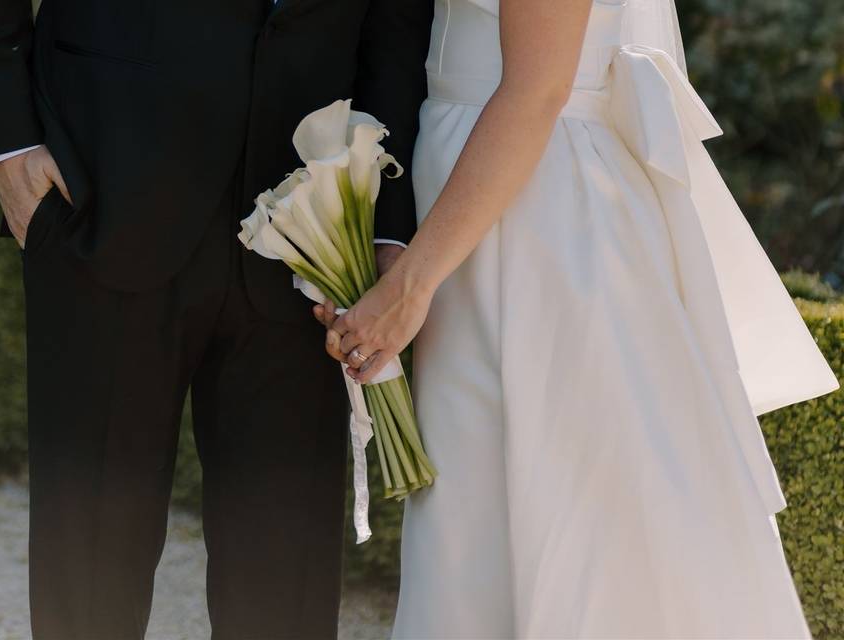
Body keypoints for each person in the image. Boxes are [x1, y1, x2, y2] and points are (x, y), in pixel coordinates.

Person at [318, 0, 839, 637]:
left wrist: (412, 285)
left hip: (536, 213)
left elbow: (538, 88)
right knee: (479, 522)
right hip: (471, 198)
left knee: (572, 520)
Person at [0, 1, 433, 638]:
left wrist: (386, 217)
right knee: (89, 565)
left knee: (285, 578)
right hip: (104, 183)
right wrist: (6, 141)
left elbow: (399, 21)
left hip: (309, 212)